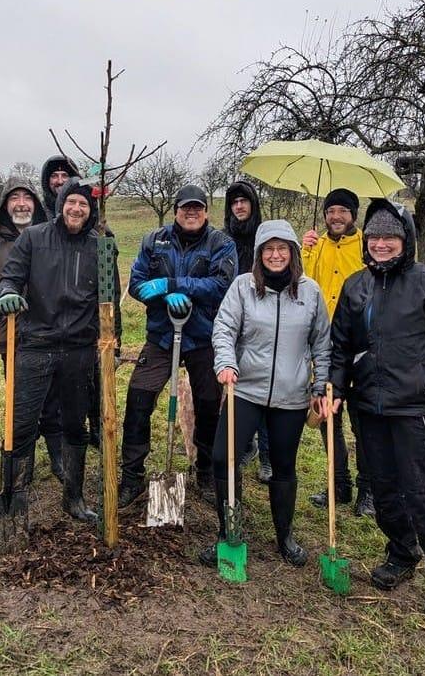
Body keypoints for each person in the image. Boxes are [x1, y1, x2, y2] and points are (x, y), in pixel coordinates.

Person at [330, 198, 425, 618]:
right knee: (382, 489)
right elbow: (340, 346)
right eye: (374, 236)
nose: (380, 244)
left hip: (415, 408)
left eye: (390, 237)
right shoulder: (356, 286)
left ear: (405, 240)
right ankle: (401, 551)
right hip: (368, 408)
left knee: (422, 493)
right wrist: (337, 389)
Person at [201, 220, 331, 567]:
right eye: (269, 249)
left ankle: (284, 536)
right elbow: (224, 328)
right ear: (259, 254)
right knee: (222, 458)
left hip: (291, 395)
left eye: (282, 248)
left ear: (293, 252)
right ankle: (228, 531)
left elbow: (322, 343)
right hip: (244, 388)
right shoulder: (243, 287)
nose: (276, 255)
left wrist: (320, 386)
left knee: (284, 466)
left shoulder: (310, 292)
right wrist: (226, 363)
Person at [0, 178, 120, 522]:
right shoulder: (34, 238)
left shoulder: (101, 247)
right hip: (36, 345)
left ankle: (74, 498)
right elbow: (11, 275)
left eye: (83, 204)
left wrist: (115, 344)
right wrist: (6, 291)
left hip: (79, 350)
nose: (76, 209)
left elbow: (111, 302)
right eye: (71, 203)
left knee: (75, 425)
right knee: (20, 426)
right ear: (60, 205)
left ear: (91, 210)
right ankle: (12, 499)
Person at [118, 185, 237, 508]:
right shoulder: (154, 241)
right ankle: (131, 475)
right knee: (138, 399)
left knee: (209, 404)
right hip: (161, 335)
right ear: (176, 211)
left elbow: (222, 286)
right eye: (186, 208)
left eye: (198, 208)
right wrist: (159, 295)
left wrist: (173, 285)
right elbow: (138, 285)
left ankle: (205, 472)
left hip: (202, 337)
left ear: (207, 212)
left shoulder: (221, 244)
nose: (192, 213)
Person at [0, 176, 65, 481]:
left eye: (27, 198)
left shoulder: (53, 237)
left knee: (54, 401)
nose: (21, 204)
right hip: (14, 336)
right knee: (21, 403)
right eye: (14, 199)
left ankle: (58, 458)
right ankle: (21, 466)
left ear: (36, 204)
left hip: (52, 334)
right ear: (5, 205)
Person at [302, 188, 375, 517]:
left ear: (353, 216)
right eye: (331, 211)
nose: (336, 217)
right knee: (328, 418)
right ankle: (339, 484)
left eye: (343, 211)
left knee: (362, 420)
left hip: (360, 347)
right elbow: (304, 285)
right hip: (324, 346)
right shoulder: (317, 246)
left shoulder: (365, 247)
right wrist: (304, 251)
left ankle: (368, 489)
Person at [222, 180, 271, 483]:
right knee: (235, 386)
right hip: (231, 317)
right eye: (234, 202)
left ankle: (267, 456)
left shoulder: (264, 238)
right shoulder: (223, 238)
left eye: (244, 201)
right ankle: (243, 444)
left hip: (261, 319)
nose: (239, 207)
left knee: (263, 387)